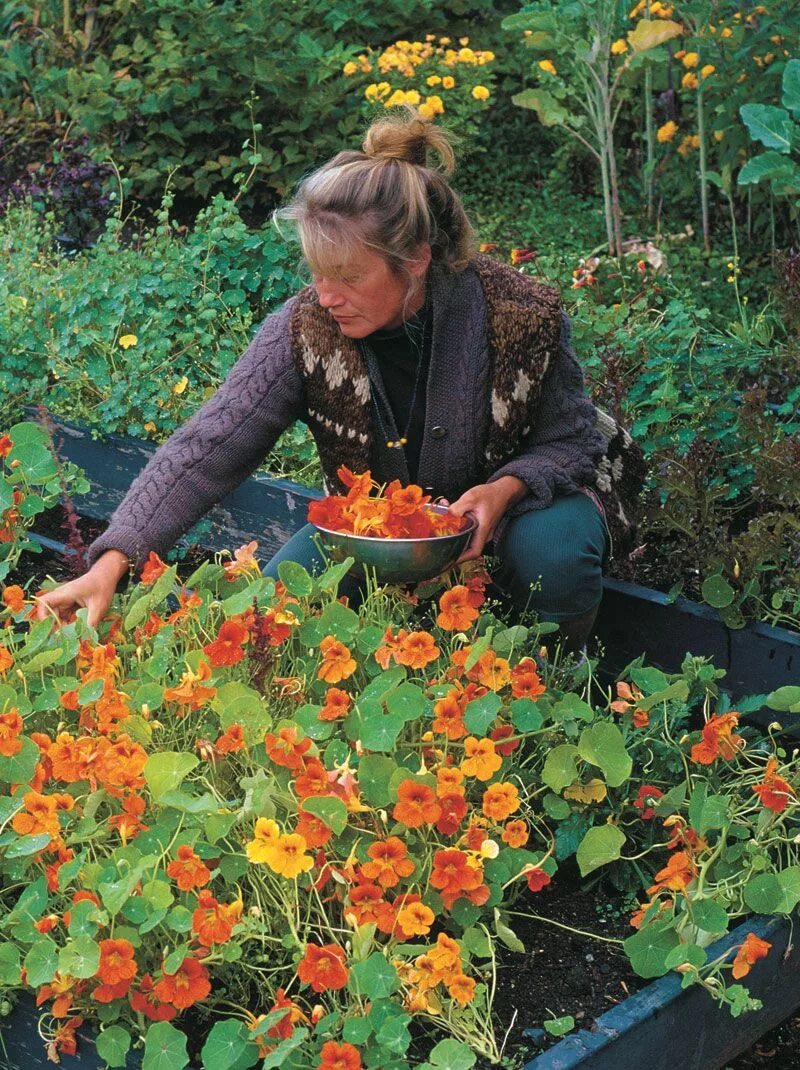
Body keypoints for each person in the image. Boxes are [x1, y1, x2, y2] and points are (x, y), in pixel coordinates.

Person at [36, 111, 643, 650]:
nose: (325, 296)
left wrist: (502, 491)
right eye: (318, 272)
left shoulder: (520, 314)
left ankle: (555, 672)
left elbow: (572, 443)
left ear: (415, 262)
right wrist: (112, 561)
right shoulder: (305, 328)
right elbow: (206, 448)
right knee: (278, 611)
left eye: (347, 276)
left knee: (553, 555)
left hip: (526, 510)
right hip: (384, 529)